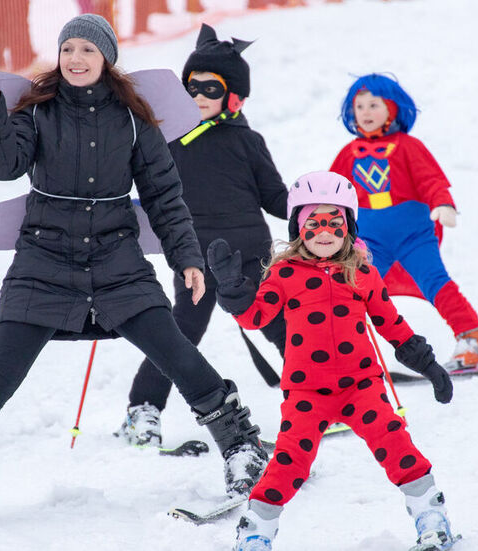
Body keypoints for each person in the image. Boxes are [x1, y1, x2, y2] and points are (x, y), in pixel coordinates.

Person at [0, 14, 269, 529]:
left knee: (177, 353)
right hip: (44, 262)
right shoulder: (38, 109)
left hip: (118, 262)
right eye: (68, 49)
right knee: (2, 371)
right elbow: (2, 166)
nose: (76, 59)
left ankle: (243, 449)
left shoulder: (134, 118)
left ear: (106, 59)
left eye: (87, 51)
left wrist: (186, 256)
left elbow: (164, 195)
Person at [206, 171, 459, 551]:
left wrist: (429, 366)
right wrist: (232, 291)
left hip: (362, 387)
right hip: (307, 391)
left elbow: (393, 326)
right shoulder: (283, 274)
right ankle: (255, 533)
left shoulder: (363, 273)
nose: (325, 232)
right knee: (289, 463)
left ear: (349, 227)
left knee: (396, 445)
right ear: (298, 229)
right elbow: (254, 318)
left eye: (334, 223)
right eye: (314, 223)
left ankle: (431, 518)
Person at [117, 23, 289, 449]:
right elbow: (151, 191)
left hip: (251, 255)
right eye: (190, 86)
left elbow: (275, 197)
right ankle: (144, 410)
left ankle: (321, 397)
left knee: (280, 325)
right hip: (193, 256)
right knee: (180, 333)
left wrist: (316, 212)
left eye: (210, 88)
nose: (198, 96)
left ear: (233, 97)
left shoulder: (249, 141)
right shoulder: (168, 141)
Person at [329, 74, 478, 371]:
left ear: (393, 108)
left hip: (414, 236)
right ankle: (341, 355)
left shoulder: (407, 146)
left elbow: (431, 180)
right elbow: (334, 191)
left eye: (374, 104)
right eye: (358, 106)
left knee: (436, 283)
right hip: (370, 241)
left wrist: (442, 203)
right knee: (356, 289)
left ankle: (477, 343)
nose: (365, 112)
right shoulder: (349, 154)